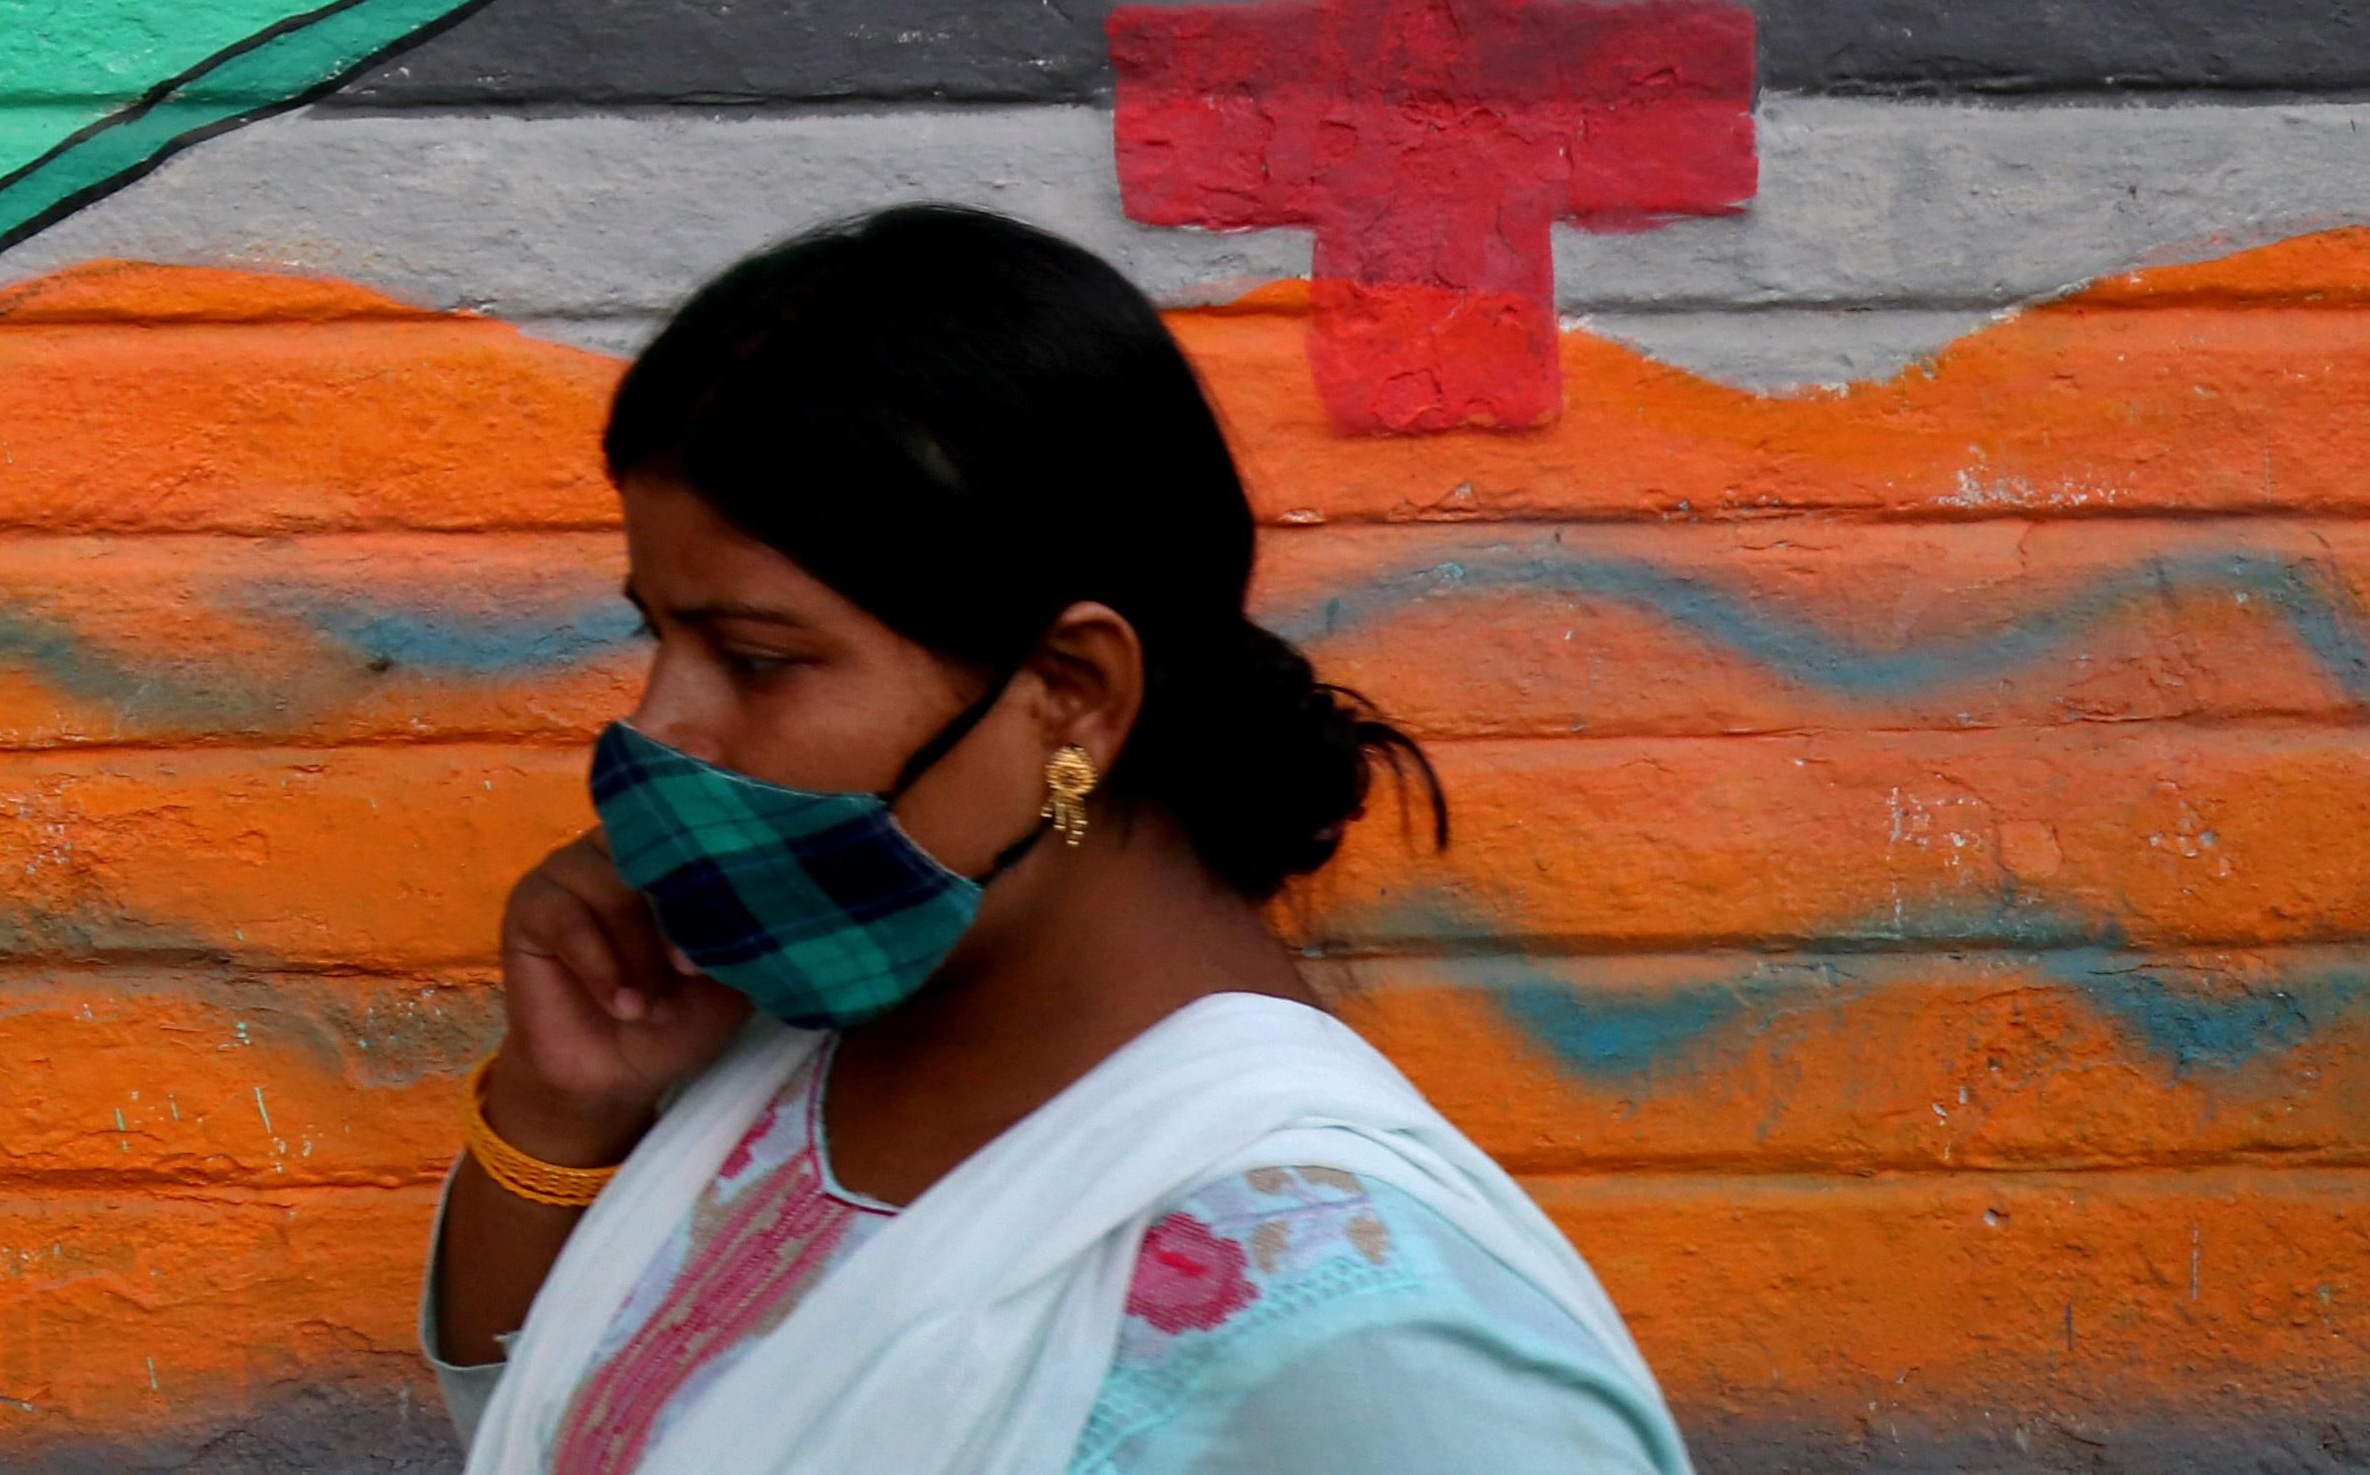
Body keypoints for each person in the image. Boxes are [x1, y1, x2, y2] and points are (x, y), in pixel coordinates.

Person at [427, 206, 1687, 1475]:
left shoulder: (1363, 1339)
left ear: (1072, 692)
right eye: (659, 637)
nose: (664, 728)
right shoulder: (791, 1057)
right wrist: (563, 1114)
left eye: (757, 660)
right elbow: (561, 1422)